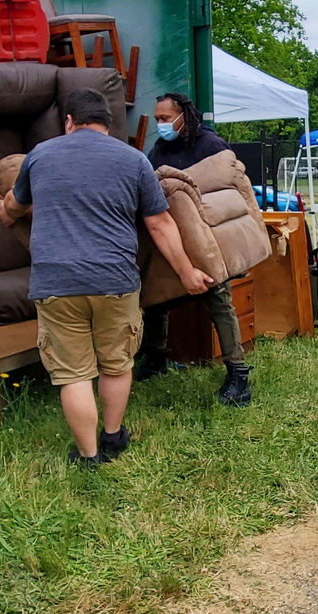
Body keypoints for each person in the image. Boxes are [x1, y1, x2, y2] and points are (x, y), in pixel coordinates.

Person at [0, 88, 212, 466]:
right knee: (116, 364)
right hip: (115, 280)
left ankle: (88, 455)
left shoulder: (40, 156)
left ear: (69, 122)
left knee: (73, 374)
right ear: (108, 126)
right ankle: (113, 436)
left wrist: (7, 213)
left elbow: (15, 204)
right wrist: (188, 271)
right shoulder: (133, 161)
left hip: (56, 284)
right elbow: (160, 224)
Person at [137, 92, 253, 407]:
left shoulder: (211, 146)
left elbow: (233, 186)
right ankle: (155, 358)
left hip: (207, 241)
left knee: (219, 299)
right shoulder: (159, 150)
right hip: (171, 240)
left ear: (183, 116)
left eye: (164, 118)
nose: (160, 124)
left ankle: (238, 373)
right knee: (156, 300)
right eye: (157, 118)